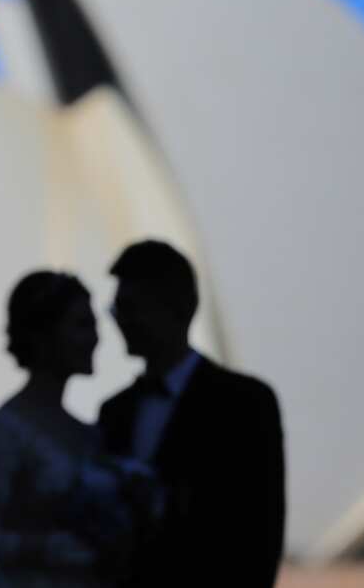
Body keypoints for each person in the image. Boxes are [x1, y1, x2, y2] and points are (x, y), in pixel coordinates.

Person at [98, 240, 285, 587]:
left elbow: (262, 530)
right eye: (117, 308)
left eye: (129, 306)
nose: (120, 320)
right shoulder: (113, 412)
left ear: (180, 307)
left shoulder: (246, 404)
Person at [0, 270, 160, 587]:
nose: (96, 338)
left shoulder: (88, 433)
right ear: (44, 335)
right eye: (81, 325)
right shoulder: (7, 430)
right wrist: (64, 549)